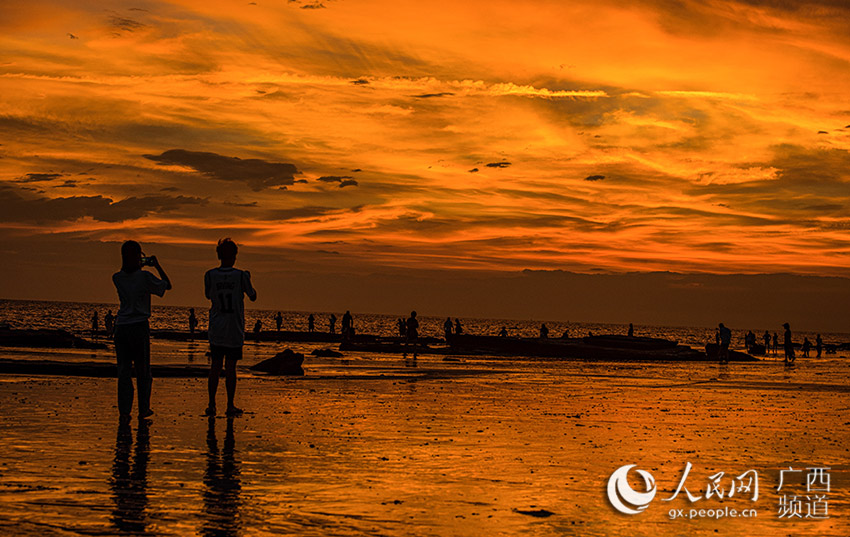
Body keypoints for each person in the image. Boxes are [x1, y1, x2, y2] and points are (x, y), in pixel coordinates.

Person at [112, 240, 171, 421]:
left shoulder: (117, 277)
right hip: (138, 325)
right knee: (143, 370)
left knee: (124, 371)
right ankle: (143, 408)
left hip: (121, 326)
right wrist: (157, 265)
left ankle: (124, 410)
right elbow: (166, 285)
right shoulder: (144, 277)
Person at [205, 238, 257, 417]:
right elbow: (252, 296)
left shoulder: (210, 275)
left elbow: (207, 295)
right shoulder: (241, 276)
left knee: (215, 366)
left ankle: (212, 404)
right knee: (231, 367)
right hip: (234, 328)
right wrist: (248, 279)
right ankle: (229, 404)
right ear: (234, 256)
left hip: (216, 327)